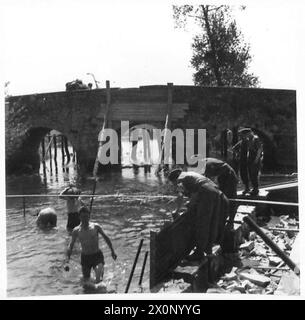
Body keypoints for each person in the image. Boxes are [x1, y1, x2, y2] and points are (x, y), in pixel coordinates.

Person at [168, 169, 229, 260]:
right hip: (215, 191)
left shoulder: (182, 178)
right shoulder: (192, 174)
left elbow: (192, 195)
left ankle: (199, 252)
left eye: (173, 182)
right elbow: (187, 194)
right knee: (212, 222)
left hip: (206, 192)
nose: (174, 184)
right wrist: (184, 207)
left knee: (202, 224)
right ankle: (208, 248)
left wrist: (184, 210)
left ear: (175, 179)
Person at [67, 206, 117, 285]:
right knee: (86, 282)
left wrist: (112, 251)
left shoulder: (96, 227)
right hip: (85, 257)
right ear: (79, 217)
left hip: (97, 256)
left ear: (89, 216)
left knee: (99, 279)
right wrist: (68, 260)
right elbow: (71, 245)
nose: (85, 219)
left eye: (86, 216)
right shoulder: (76, 230)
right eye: (83, 217)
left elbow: (106, 238)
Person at [202, 157, 238, 225]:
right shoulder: (204, 163)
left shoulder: (207, 165)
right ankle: (222, 217)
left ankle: (231, 220)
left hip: (230, 176)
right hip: (222, 177)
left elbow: (210, 181)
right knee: (222, 198)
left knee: (230, 198)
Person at [233, 128, 263, 196]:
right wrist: (238, 155)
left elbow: (259, 149)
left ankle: (255, 189)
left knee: (253, 174)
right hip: (249, 160)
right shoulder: (246, 140)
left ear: (249, 133)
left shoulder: (255, 138)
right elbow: (235, 148)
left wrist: (256, 159)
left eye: (245, 134)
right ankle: (249, 188)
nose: (244, 136)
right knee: (249, 174)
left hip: (254, 160)